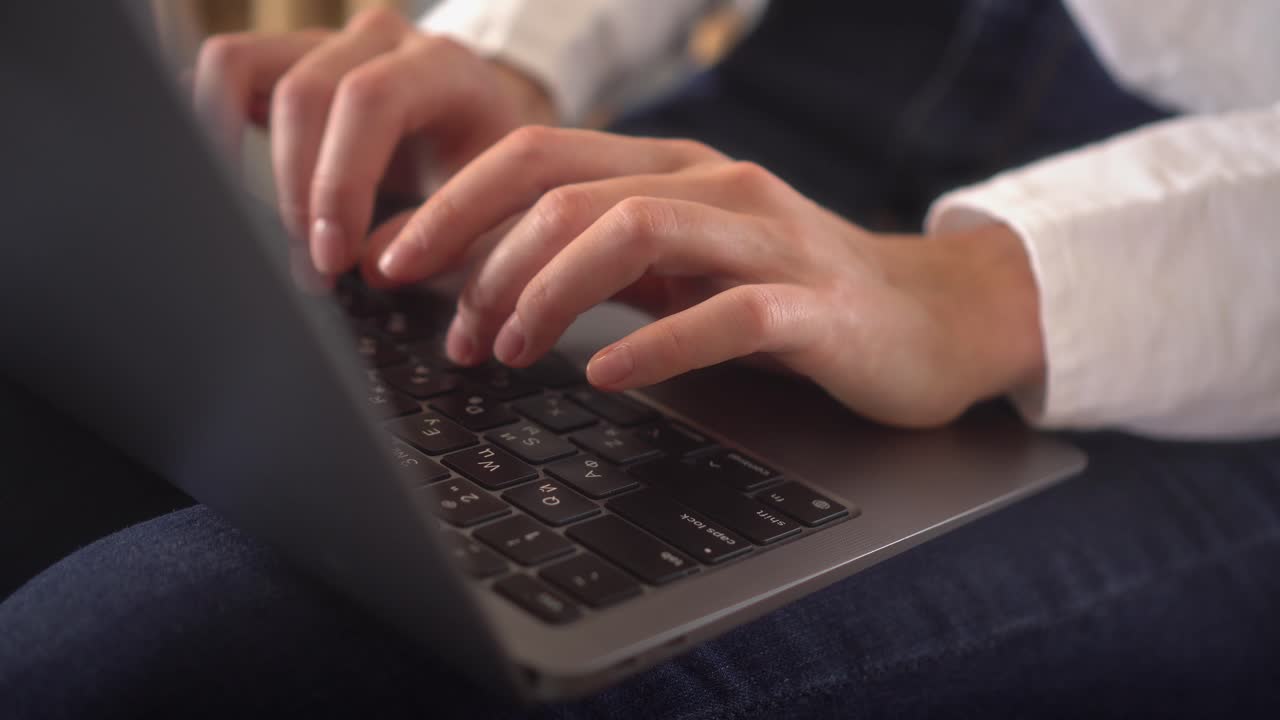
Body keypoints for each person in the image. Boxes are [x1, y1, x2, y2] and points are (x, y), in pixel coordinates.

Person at [2, 0, 1277, 717]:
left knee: (194, 647)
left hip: (1186, 344)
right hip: (779, 127)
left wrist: (981, 289)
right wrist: (502, 50)